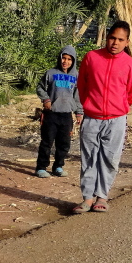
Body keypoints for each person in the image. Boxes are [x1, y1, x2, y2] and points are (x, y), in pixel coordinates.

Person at [73, 21, 132, 213]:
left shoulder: (130, 64)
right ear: (107, 37)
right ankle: (87, 198)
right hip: (91, 118)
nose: (115, 43)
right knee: (88, 158)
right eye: (112, 38)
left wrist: (118, 107)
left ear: (127, 42)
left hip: (116, 120)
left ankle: (102, 197)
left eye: (120, 40)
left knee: (110, 158)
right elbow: (82, 85)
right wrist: (89, 105)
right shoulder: (91, 58)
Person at [35, 45, 83, 178]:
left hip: (66, 115)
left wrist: (79, 112)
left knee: (64, 143)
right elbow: (40, 88)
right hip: (51, 114)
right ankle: (41, 168)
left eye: (69, 59)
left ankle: (58, 167)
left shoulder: (76, 76)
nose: (65, 61)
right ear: (60, 58)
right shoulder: (51, 73)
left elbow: (77, 96)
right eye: (64, 58)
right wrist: (46, 99)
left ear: (73, 61)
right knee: (47, 142)